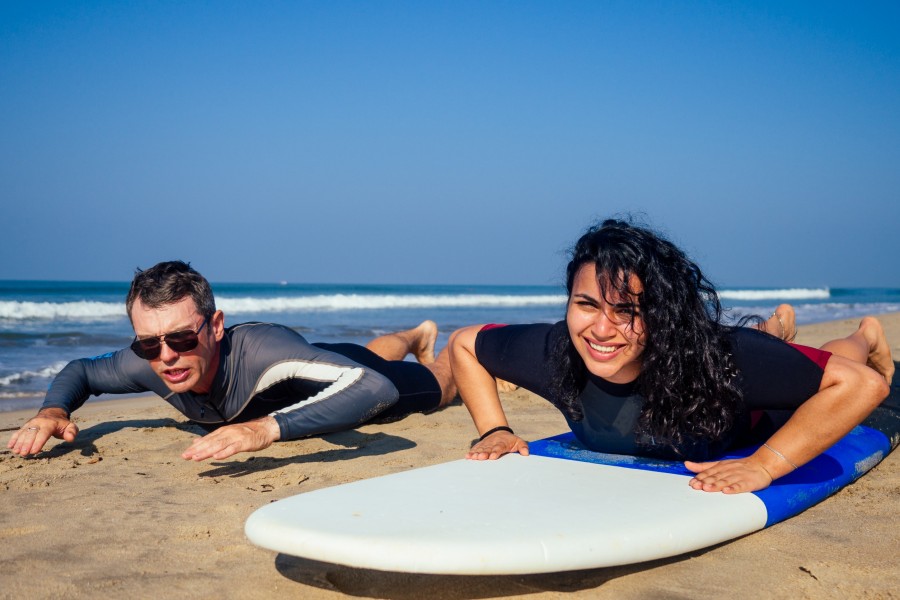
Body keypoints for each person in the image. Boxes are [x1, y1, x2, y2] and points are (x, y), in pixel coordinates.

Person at [449, 218, 892, 494]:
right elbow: (465, 343)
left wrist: (765, 464)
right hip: (750, 354)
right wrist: (495, 429)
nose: (601, 330)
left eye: (627, 311)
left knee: (827, 358)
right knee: (778, 350)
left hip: (761, 412)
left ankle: (865, 335)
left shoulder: (721, 361)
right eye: (586, 304)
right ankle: (774, 327)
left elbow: (863, 385)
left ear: (662, 314)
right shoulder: (551, 351)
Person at [7, 261, 457, 461]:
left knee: (437, 386)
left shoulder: (264, 353)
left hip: (341, 377)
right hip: (324, 363)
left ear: (216, 325)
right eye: (148, 343)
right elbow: (81, 370)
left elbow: (375, 388)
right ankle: (415, 334)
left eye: (182, 338)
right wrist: (52, 411)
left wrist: (265, 427)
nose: (166, 357)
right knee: (357, 356)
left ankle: (457, 351)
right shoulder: (148, 360)